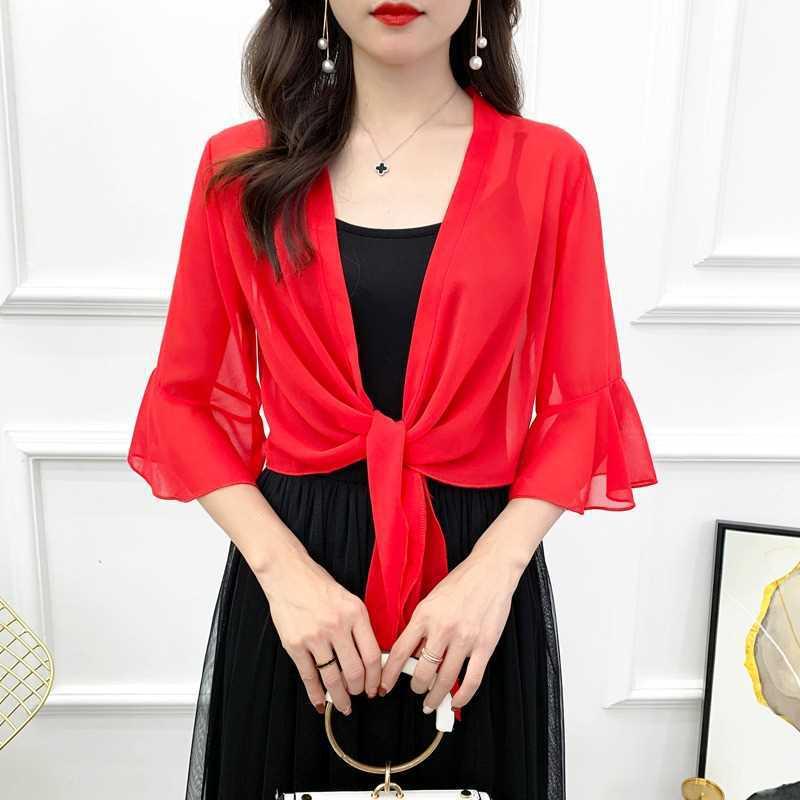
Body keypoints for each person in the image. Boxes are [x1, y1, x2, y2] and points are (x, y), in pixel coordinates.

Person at [127, 1, 659, 798]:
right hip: (294, 576)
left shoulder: (547, 166)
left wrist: (494, 575)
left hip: (476, 583)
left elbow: (583, 401)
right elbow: (183, 400)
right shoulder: (240, 166)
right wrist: (284, 575)